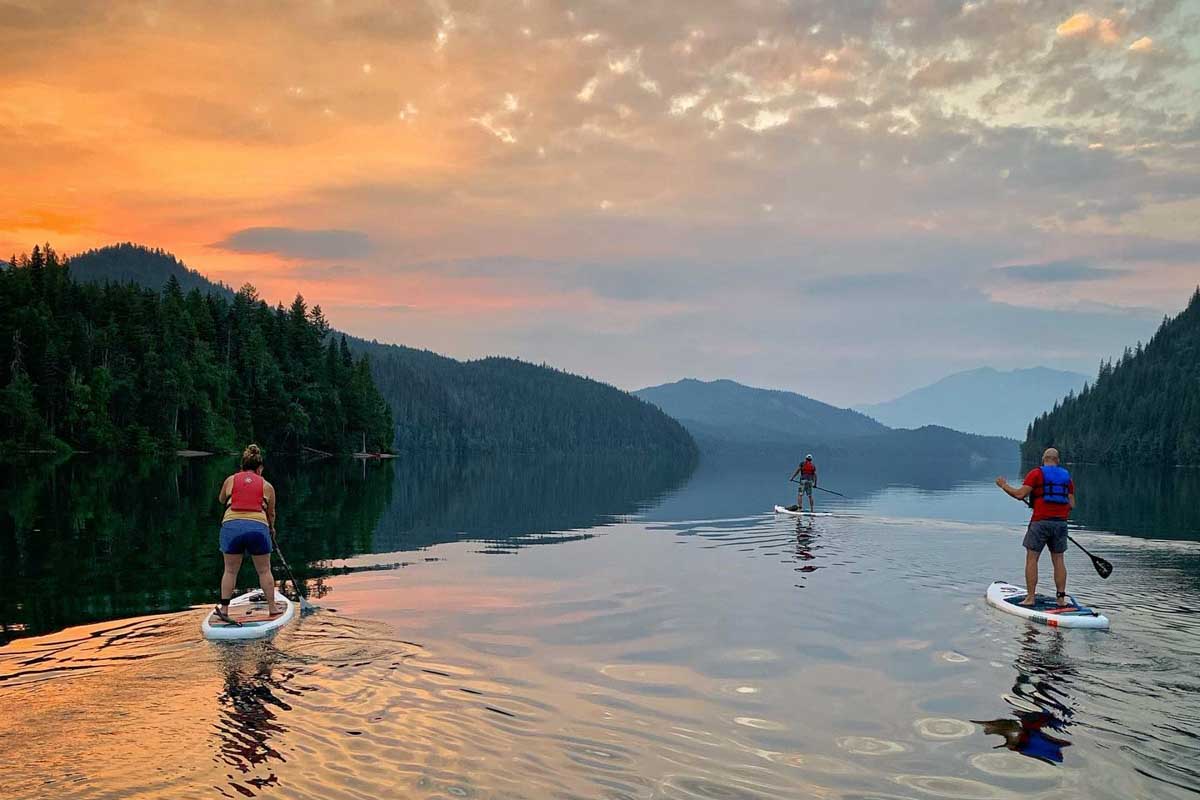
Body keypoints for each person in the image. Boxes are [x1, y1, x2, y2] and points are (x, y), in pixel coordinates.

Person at [995, 448, 1075, 607]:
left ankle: (1030, 597)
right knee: (1058, 560)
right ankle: (1060, 599)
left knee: (1032, 558)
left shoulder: (1036, 473)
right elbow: (1071, 504)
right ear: (1057, 460)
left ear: (1043, 459)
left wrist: (1004, 485)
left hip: (1040, 522)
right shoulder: (1066, 477)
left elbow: (1019, 495)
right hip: (1060, 523)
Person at [214, 444, 280, 623]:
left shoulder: (231, 480)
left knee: (230, 570)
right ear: (260, 469)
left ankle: (225, 609)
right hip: (258, 527)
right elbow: (271, 513)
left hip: (231, 526)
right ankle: (273, 608)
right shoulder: (267, 486)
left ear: (242, 466)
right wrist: (271, 529)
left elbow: (221, 500)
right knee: (264, 570)